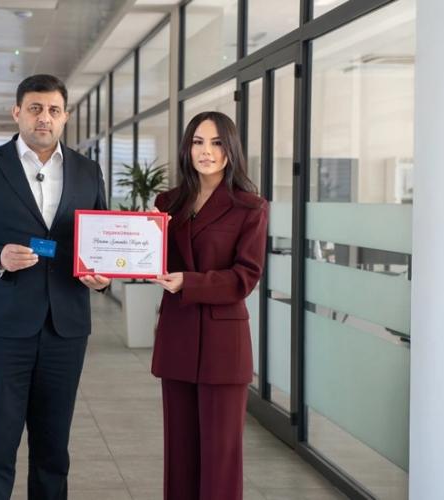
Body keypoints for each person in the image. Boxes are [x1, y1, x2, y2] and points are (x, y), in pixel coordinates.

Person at [0, 74, 111, 500]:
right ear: (17, 112)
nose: (44, 118)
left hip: (66, 328)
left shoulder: (88, 171)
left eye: (54, 110)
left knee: (54, 450)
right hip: (3, 327)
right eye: (35, 108)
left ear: (66, 116)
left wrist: (104, 277)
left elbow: (101, 240)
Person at [149, 111, 268, 500]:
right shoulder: (167, 203)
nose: (206, 151)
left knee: (220, 458)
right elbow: (158, 264)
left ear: (231, 149)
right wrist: (141, 242)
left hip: (223, 345)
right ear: (187, 148)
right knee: (180, 455)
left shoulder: (250, 207)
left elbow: (245, 277)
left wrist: (191, 282)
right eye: (198, 142)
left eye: (217, 143)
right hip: (178, 335)